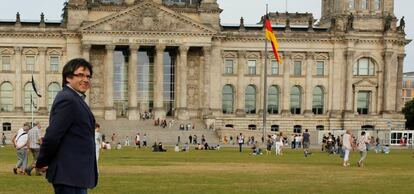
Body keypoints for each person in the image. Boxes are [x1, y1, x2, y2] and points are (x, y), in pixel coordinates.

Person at [35, 58, 98, 194]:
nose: (85, 79)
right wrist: (41, 162)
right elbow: (52, 136)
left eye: (88, 76)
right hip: (69, 174)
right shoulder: (68, 99)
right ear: (68, 77)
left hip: (75, 175)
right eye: (80, 75)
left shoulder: (75, 98)